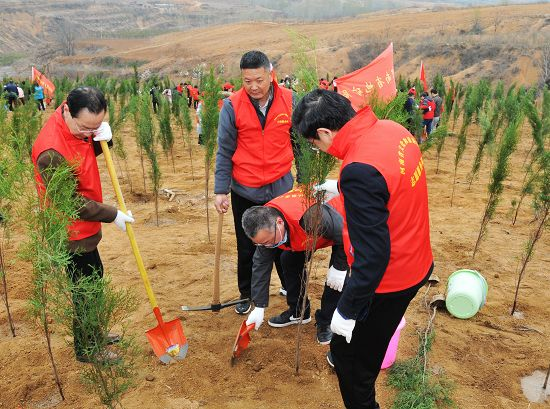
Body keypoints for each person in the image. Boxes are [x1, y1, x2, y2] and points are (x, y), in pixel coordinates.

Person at [292, 89, 433, 409]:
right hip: (417, 258)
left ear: (325, 133)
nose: (319, 150)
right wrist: (343, 189)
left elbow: (374, 256)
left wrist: (346, 310)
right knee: (353, 357)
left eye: (315, 143)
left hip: (390, 279)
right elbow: (389, 185)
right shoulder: (392, 130)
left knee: (352, 364)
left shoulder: (358, 169)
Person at [31, 86, 135, 363]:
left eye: (97, 127)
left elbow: (84, 154)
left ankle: (94, 332)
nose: (90, 134)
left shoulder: (76, 128)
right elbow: (70, 202)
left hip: (85, 226)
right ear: (67, 110)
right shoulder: (50, 151)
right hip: (71, 229)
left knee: (94, 278)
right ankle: (88, 349)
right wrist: (112, 214)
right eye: (86, 128)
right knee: (84, 288)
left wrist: (104, 140)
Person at [214, 50, 294, 315]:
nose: (254, 86)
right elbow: (225, 150)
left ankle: (289, 286)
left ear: (270, 75)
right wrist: (220, 190)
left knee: (285, 243)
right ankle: (246, 294)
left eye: (259, 79)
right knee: (247, 245)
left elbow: (300, 144)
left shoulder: (290, 101)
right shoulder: (232, 106)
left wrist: (305, 181)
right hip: (245, 189)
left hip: (281, 187)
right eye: (247, 81)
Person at [242, 188, 348, 345]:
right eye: (260, 243)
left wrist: (340, 267)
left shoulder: (311, 216)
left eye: (268, 241)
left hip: (342, 226)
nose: (267, 246)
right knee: (289, 260)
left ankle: (326, 321)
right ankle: (299, 311)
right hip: (304, 232)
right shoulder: (265, 226)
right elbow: (260, 265)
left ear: (278, 223)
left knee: (336, 280)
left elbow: (346, 235)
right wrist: (259, 306)